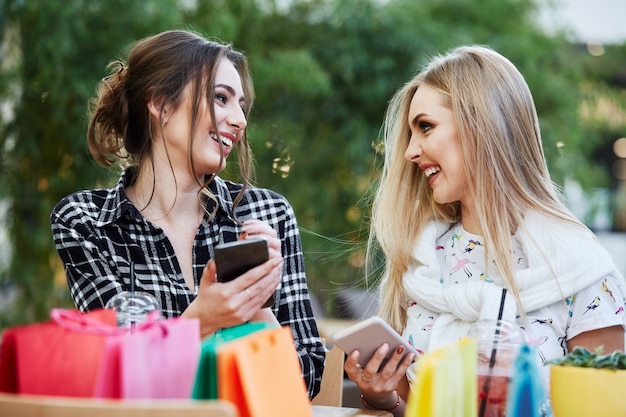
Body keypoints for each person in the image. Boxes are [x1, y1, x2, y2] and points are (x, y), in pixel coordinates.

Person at [344, 44, 626, 416]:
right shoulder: (420, 260)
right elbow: (411, 409)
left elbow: (604, 407)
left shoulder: (577, 265)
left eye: (425, 127)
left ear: (481, 125)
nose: (411, 151)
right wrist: (382, 396)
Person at [50, 29, 325, 398]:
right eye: (221, 98)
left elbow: (307, 380)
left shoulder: (267, 212)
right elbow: (120, 379)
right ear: (161, 104)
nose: (240, 120)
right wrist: (203, 320)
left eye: (241, 105)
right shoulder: (85, 222)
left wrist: (257, 306)